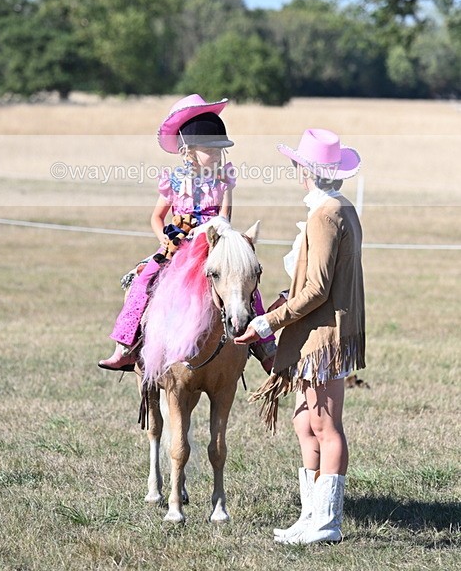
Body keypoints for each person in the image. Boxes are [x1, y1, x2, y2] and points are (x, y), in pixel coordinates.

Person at [235, 128, 365, 545]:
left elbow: (317, 288)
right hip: (318, 332)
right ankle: (311, 516)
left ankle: (327, 524)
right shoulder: (339, 208)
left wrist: (267, 322)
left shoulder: (324, 215)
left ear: (305, 170)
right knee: (305, 424)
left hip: (323, 336)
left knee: (326, 427)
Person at [98, 94, 276, 372]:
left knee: (245, 283)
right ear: (189, 150)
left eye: (219, 150)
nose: (217, 154)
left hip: (213, 243)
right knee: (143, 281)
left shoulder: (223, 180)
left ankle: (265, 346)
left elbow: (225, 218)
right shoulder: (173, 181)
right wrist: (166, 241)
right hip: (179, 244)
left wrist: (218, 239)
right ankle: (127, 345)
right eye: (210, 149)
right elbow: (157, 218)